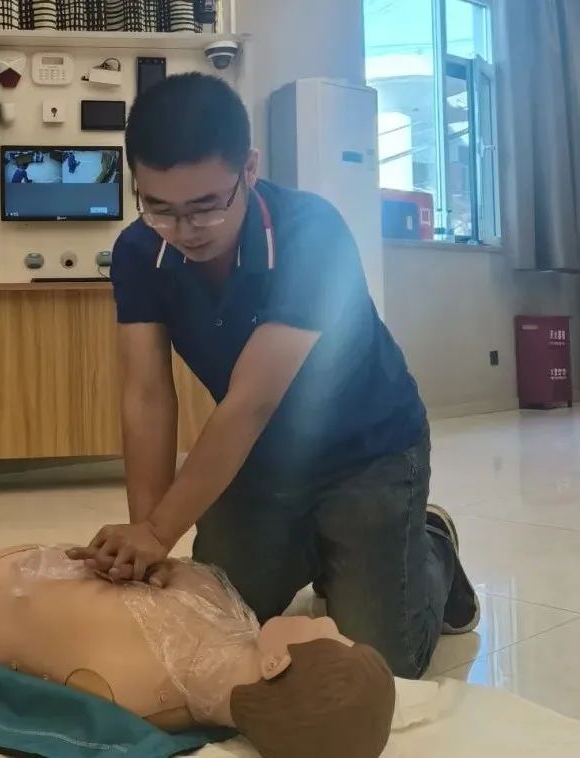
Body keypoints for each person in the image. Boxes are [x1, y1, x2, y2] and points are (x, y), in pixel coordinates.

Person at [67, 73, 478, 680]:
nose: (185, 230)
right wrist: (145, 538)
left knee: (378, 666)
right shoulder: (138, 250)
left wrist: (158, 529)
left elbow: (250, 402)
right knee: (211, 626)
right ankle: (328, 552)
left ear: (250, 168)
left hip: (368, 451)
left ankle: (432, 549)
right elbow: (147, 395)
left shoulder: (311, 234)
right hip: (260, 458)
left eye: (207, 205)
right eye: (160, 208)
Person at [0, 545, 395, 758]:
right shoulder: (230, 627)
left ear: (276, 664)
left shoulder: (140, 686)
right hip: (0, 582)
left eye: (326, 632)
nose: (326, 620)